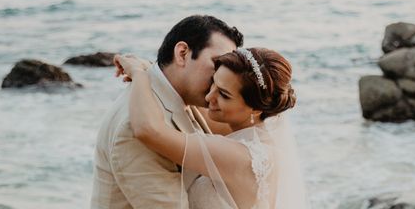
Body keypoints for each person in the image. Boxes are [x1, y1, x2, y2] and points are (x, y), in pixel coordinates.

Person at [114, 46, 310, 209]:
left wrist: (140, 74)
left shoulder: (239, 156)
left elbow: (148, 130)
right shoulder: (261, 139)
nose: (209, 97)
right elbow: (183, 98)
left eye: (224, 94)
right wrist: (154, 70)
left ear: (256, 109)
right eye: (212, 83)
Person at [91, 15, 244, 209]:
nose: (222, 76)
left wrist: (141, 71)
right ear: (182, 53)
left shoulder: (170, 94)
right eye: (217, 64)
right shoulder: (134, 126)